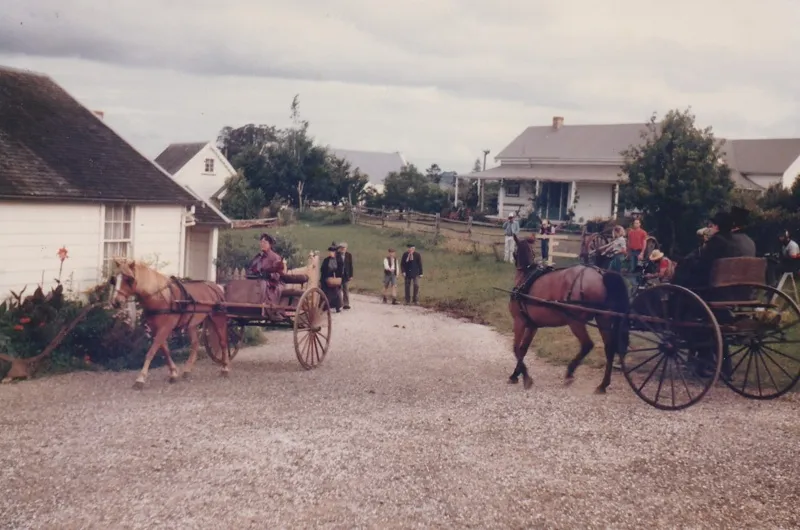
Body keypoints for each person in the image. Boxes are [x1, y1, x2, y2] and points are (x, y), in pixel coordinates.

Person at [247, 233, 286, 306]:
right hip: (258, 281)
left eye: (264, 242)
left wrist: (269, 275)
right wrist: (252, 273)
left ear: (270, 244)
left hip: (273, 284)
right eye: (261, 242)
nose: (262, 244)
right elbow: (252, 268)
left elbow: (278, 273)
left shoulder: (275, 257)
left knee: (263, 284)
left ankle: (265, 305)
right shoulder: (258, 257)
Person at [320, 245, 343, 313]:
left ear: (335, 252)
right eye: (329, 252)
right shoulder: (326, 260)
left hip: (335, 279)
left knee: (337, 293)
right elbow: (322, 269)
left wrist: (336, 273)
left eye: (332, 252)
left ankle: (337, 307)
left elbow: (341, 269)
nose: (330, 253)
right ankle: (326, 307)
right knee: (326, 293)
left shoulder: (338, 260)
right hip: (327, 279)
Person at [336, 241, 354, 310]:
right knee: (338, 290)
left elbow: (350, 265)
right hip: (338, 275)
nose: (343, 249)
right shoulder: (337, 255)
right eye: (341, 248)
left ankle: (346, 304)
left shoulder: (349, 255)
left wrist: (351, 275)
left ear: (346, 248)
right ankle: (339, 304)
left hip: (346, 275)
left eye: (344, 248)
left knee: (345, 289)